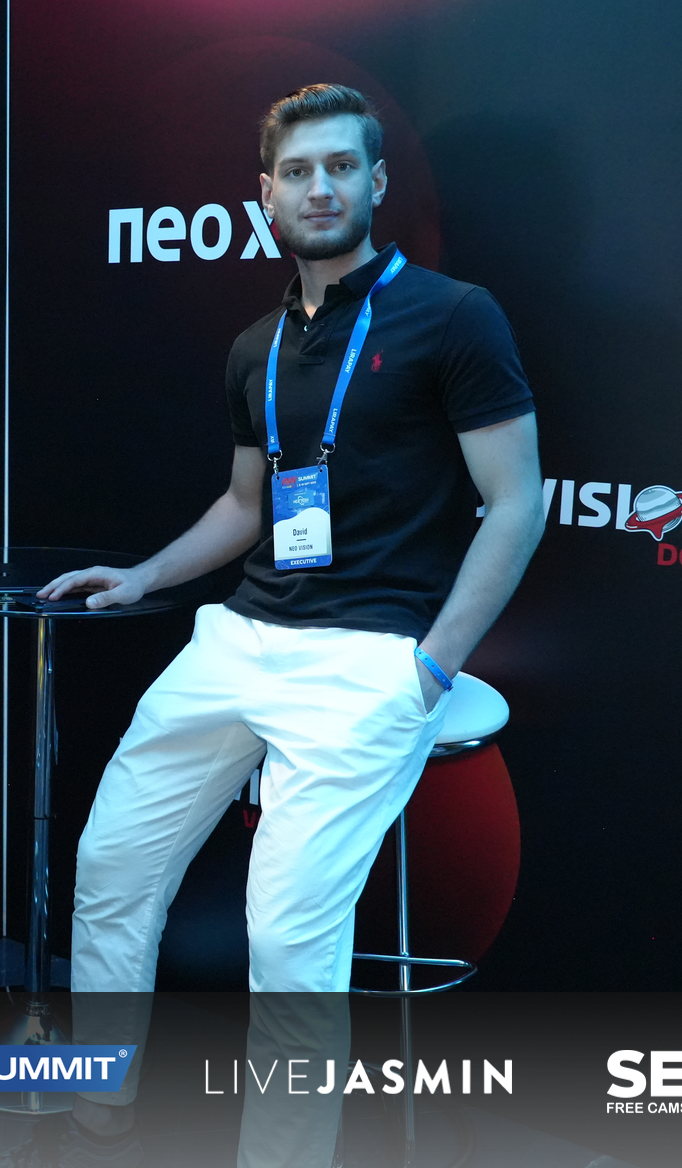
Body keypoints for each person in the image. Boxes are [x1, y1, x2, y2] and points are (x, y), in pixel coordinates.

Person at [35, 82, 544, 1162]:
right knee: (111, 865)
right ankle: (96, 1115)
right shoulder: (255, 344)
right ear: (265, 193)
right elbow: (244, 505)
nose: (321, 187)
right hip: (241, 637)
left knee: (288, 943)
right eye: (299, 171)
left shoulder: (456, 315)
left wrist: (430, 667)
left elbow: (516, 502)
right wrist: (144, 575)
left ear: (377, 181)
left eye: (341, 166)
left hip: (370, 658)